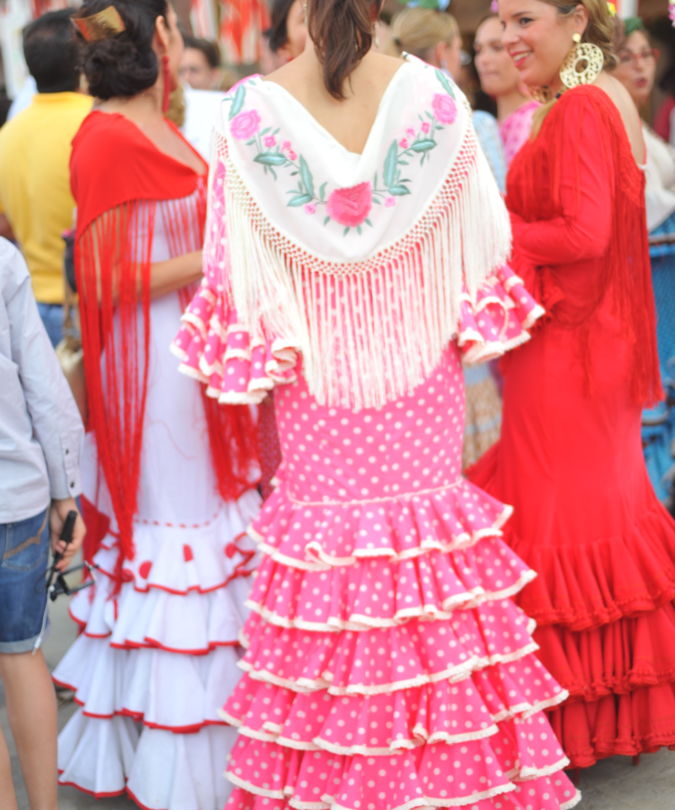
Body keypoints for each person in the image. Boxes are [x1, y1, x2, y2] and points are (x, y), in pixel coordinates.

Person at [172, 0, 581, 806]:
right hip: (416, 366)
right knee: (430, 567)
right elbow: (483, 239)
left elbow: (235, 271)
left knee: (330, 574)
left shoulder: (248, 112)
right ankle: (454, 780)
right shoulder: (433, 96)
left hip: (315, 378)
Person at [52, 3, 261, 808]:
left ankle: (223, 723)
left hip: (191, 351)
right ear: (157, 39)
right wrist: (216, 256)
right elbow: (102, 278)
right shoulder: (106, 136)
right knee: (179, 534)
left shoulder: (161, 124)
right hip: (156, 366)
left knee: (203, 525)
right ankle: (184, 742)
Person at [469, 0, 675, 769]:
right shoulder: (590, 95)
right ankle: (583, 713)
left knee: (555, 525)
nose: (508, 36)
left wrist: (489, 230)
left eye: (523, 19)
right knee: (587, 517)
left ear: (577, 18)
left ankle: (558, 720)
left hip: (569, 352)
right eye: (501, 21)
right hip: (583, 345)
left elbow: (584, 234)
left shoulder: (584, 102)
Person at [0, 238, 85, 810]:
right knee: (23, 653)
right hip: (15, 490)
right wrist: (64, 494)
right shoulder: (3, 260)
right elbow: (43, 384)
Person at [612, 17, 675, 508]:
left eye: (646, 55)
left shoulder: (648, 127)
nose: (640, 66)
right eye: (627, 56)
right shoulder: (617, 125)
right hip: (645, 284)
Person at [0, 9, 91, 347]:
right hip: (90, 303)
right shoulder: (97, 123)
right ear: (84, 60)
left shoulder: (8, 135)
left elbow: (5, 224)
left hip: (34, 306)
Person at [474, 13, 539, 166]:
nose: (483, 60)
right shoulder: (487, 123)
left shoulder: (534, 121)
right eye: (478, 50)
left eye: (497, 48)